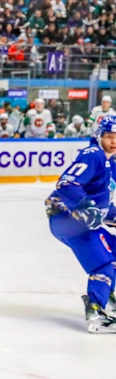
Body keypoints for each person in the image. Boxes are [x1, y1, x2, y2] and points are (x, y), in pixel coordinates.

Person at [44, 115, 116, 333]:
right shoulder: (93, 154)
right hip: (68, 219)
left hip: (80, 221)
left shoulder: (110, 160)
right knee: (103, 262)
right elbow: (67, 184)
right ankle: (95, 312)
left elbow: (100, 200)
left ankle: (107, 295)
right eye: (109, 136)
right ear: (98, 136)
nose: (114, 141)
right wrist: (87, 207)